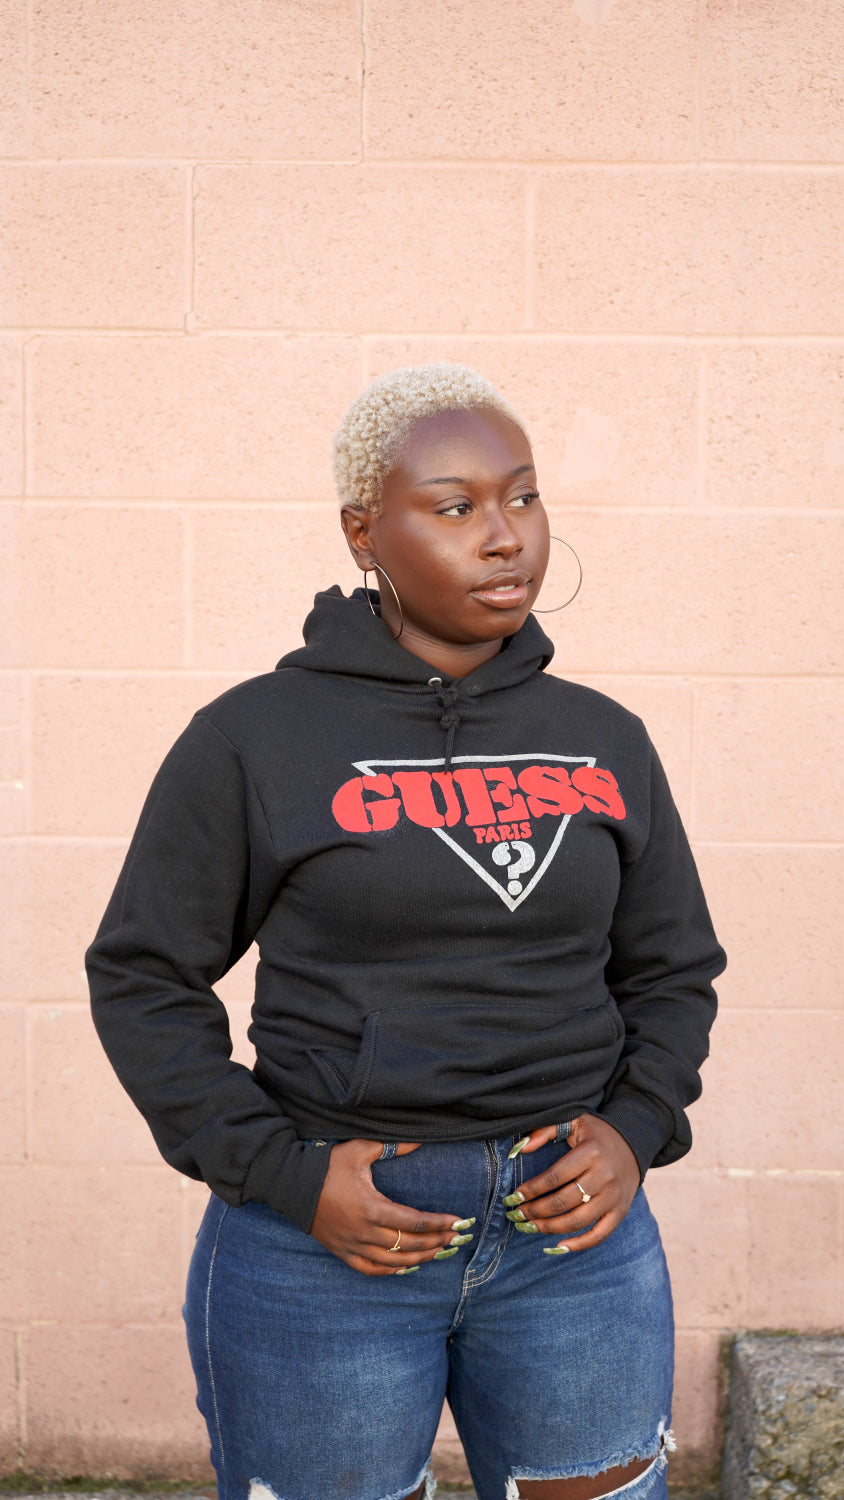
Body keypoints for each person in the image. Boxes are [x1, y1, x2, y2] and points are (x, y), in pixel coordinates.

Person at [87, 365, 725, 1500]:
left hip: (572, 1245)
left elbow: (674, 968)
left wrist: (635, 1130)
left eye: (522, 496)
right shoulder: (253, 740)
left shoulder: (604, 738)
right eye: (455, 506)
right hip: (326, 1247)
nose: (505, 536)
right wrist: (283, 1176)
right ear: (363, 532)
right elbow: (143, 977)